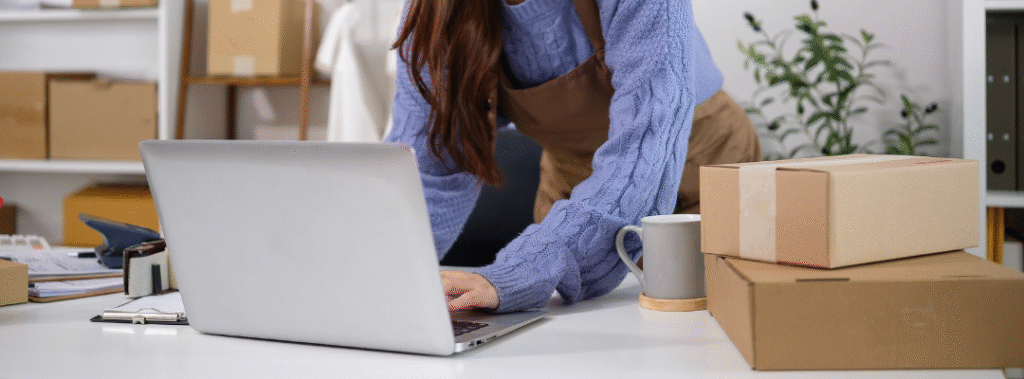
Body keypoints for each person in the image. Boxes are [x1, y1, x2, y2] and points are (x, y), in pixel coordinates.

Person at [385, 0, 761, 313]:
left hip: (700, 175)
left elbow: (647, 144)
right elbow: (429, 169)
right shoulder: (437, 8)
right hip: (570, 196)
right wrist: (378, 277)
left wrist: (523, 271)